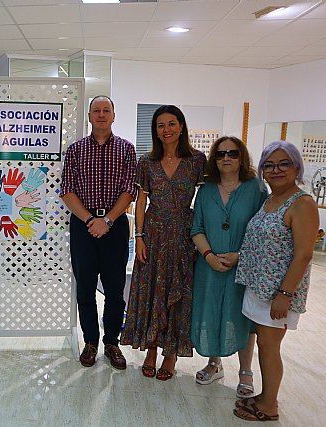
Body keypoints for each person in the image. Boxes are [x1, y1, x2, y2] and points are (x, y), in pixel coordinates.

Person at [233, 140, 318, 421]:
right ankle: (266, 395)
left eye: (284, 163)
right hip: (259, 286)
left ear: (297, 167)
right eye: (269, 165)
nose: (276, 170)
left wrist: (285, 293)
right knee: (263, 345)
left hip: (277, 292)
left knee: (269, 347)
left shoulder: (302, 203)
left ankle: (269, 406)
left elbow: (304, 255)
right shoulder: (271, 200)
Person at [120, 105, 206, 381]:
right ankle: (151, 349)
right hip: (154, 234)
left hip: (183, 234)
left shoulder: (197, 161)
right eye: (160, 125)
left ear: (181, 126)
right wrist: (140, 237)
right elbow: (142, 200)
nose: (166, 129)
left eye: (171, 123)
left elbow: (204, 199)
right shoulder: (146, 161)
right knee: (150, 291)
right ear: (154, 131)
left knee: (177, 291)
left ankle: (170, 354)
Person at [60, 96, 137, 370]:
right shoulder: (76, 150)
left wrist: (108, 220)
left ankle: (111, 343)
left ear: (114, 116)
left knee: (115, 290)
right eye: (97, 111)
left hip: (115, 226)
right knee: (85, 289)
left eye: (106, 111)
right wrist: (92, 219)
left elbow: (130, 190)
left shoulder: (127, 150)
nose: (101, 115)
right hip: (83, 226)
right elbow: (67, 191)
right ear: (89, 117)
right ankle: (90, 341)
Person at [190, 136, 267, 397]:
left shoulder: (256, 189)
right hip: (208, 265)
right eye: (221, 153)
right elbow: (197, 228)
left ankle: (245, 372)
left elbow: (261, 231)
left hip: (242, 266)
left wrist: (239, 255)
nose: (226, 158)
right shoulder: (207, 189)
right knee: (210, 311)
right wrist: (210, 256)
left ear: (242, 157)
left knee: (243, 317)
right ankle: (214, 363)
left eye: (233, 153)